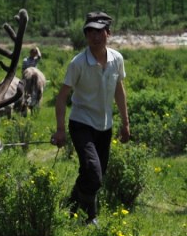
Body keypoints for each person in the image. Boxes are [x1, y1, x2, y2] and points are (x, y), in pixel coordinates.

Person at [51, 11, 131, 224]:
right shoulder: (77, 63)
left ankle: (72, 204)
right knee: (93, 172)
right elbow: (61, 98)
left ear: (108, 33)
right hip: (81, 123)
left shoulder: (116, 59)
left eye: (99, 32)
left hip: (105, 125)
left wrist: (125, 122)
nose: (95, 37)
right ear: (86, 36)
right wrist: (60, 130)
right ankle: (90, 216)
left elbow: (119, 90)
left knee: (95, 173)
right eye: (90, 32)